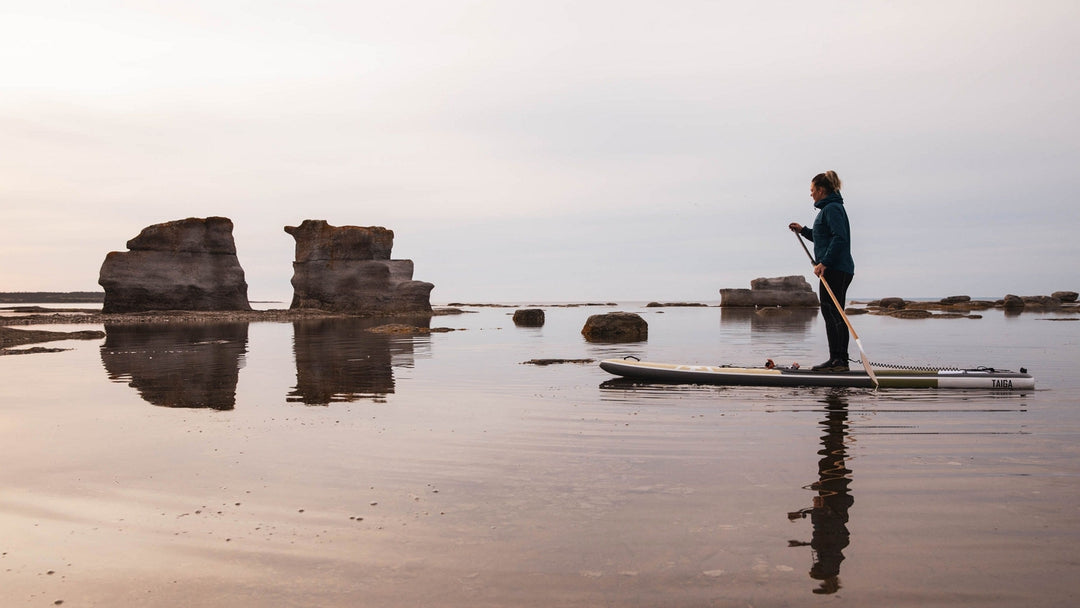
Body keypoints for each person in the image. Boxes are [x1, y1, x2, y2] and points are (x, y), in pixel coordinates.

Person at [788, 171, 855, 372]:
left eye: (812, 190)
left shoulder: (832, 209)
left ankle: (839, 360)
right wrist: (803, 231)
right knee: (832, 312)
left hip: (835, 269)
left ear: (821, 190)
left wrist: (824, 262)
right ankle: (838, 360)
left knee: (832, 313)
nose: (811, 195)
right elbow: (823, 237)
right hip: (836, 268)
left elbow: (839, 238)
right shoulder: (828, 209)